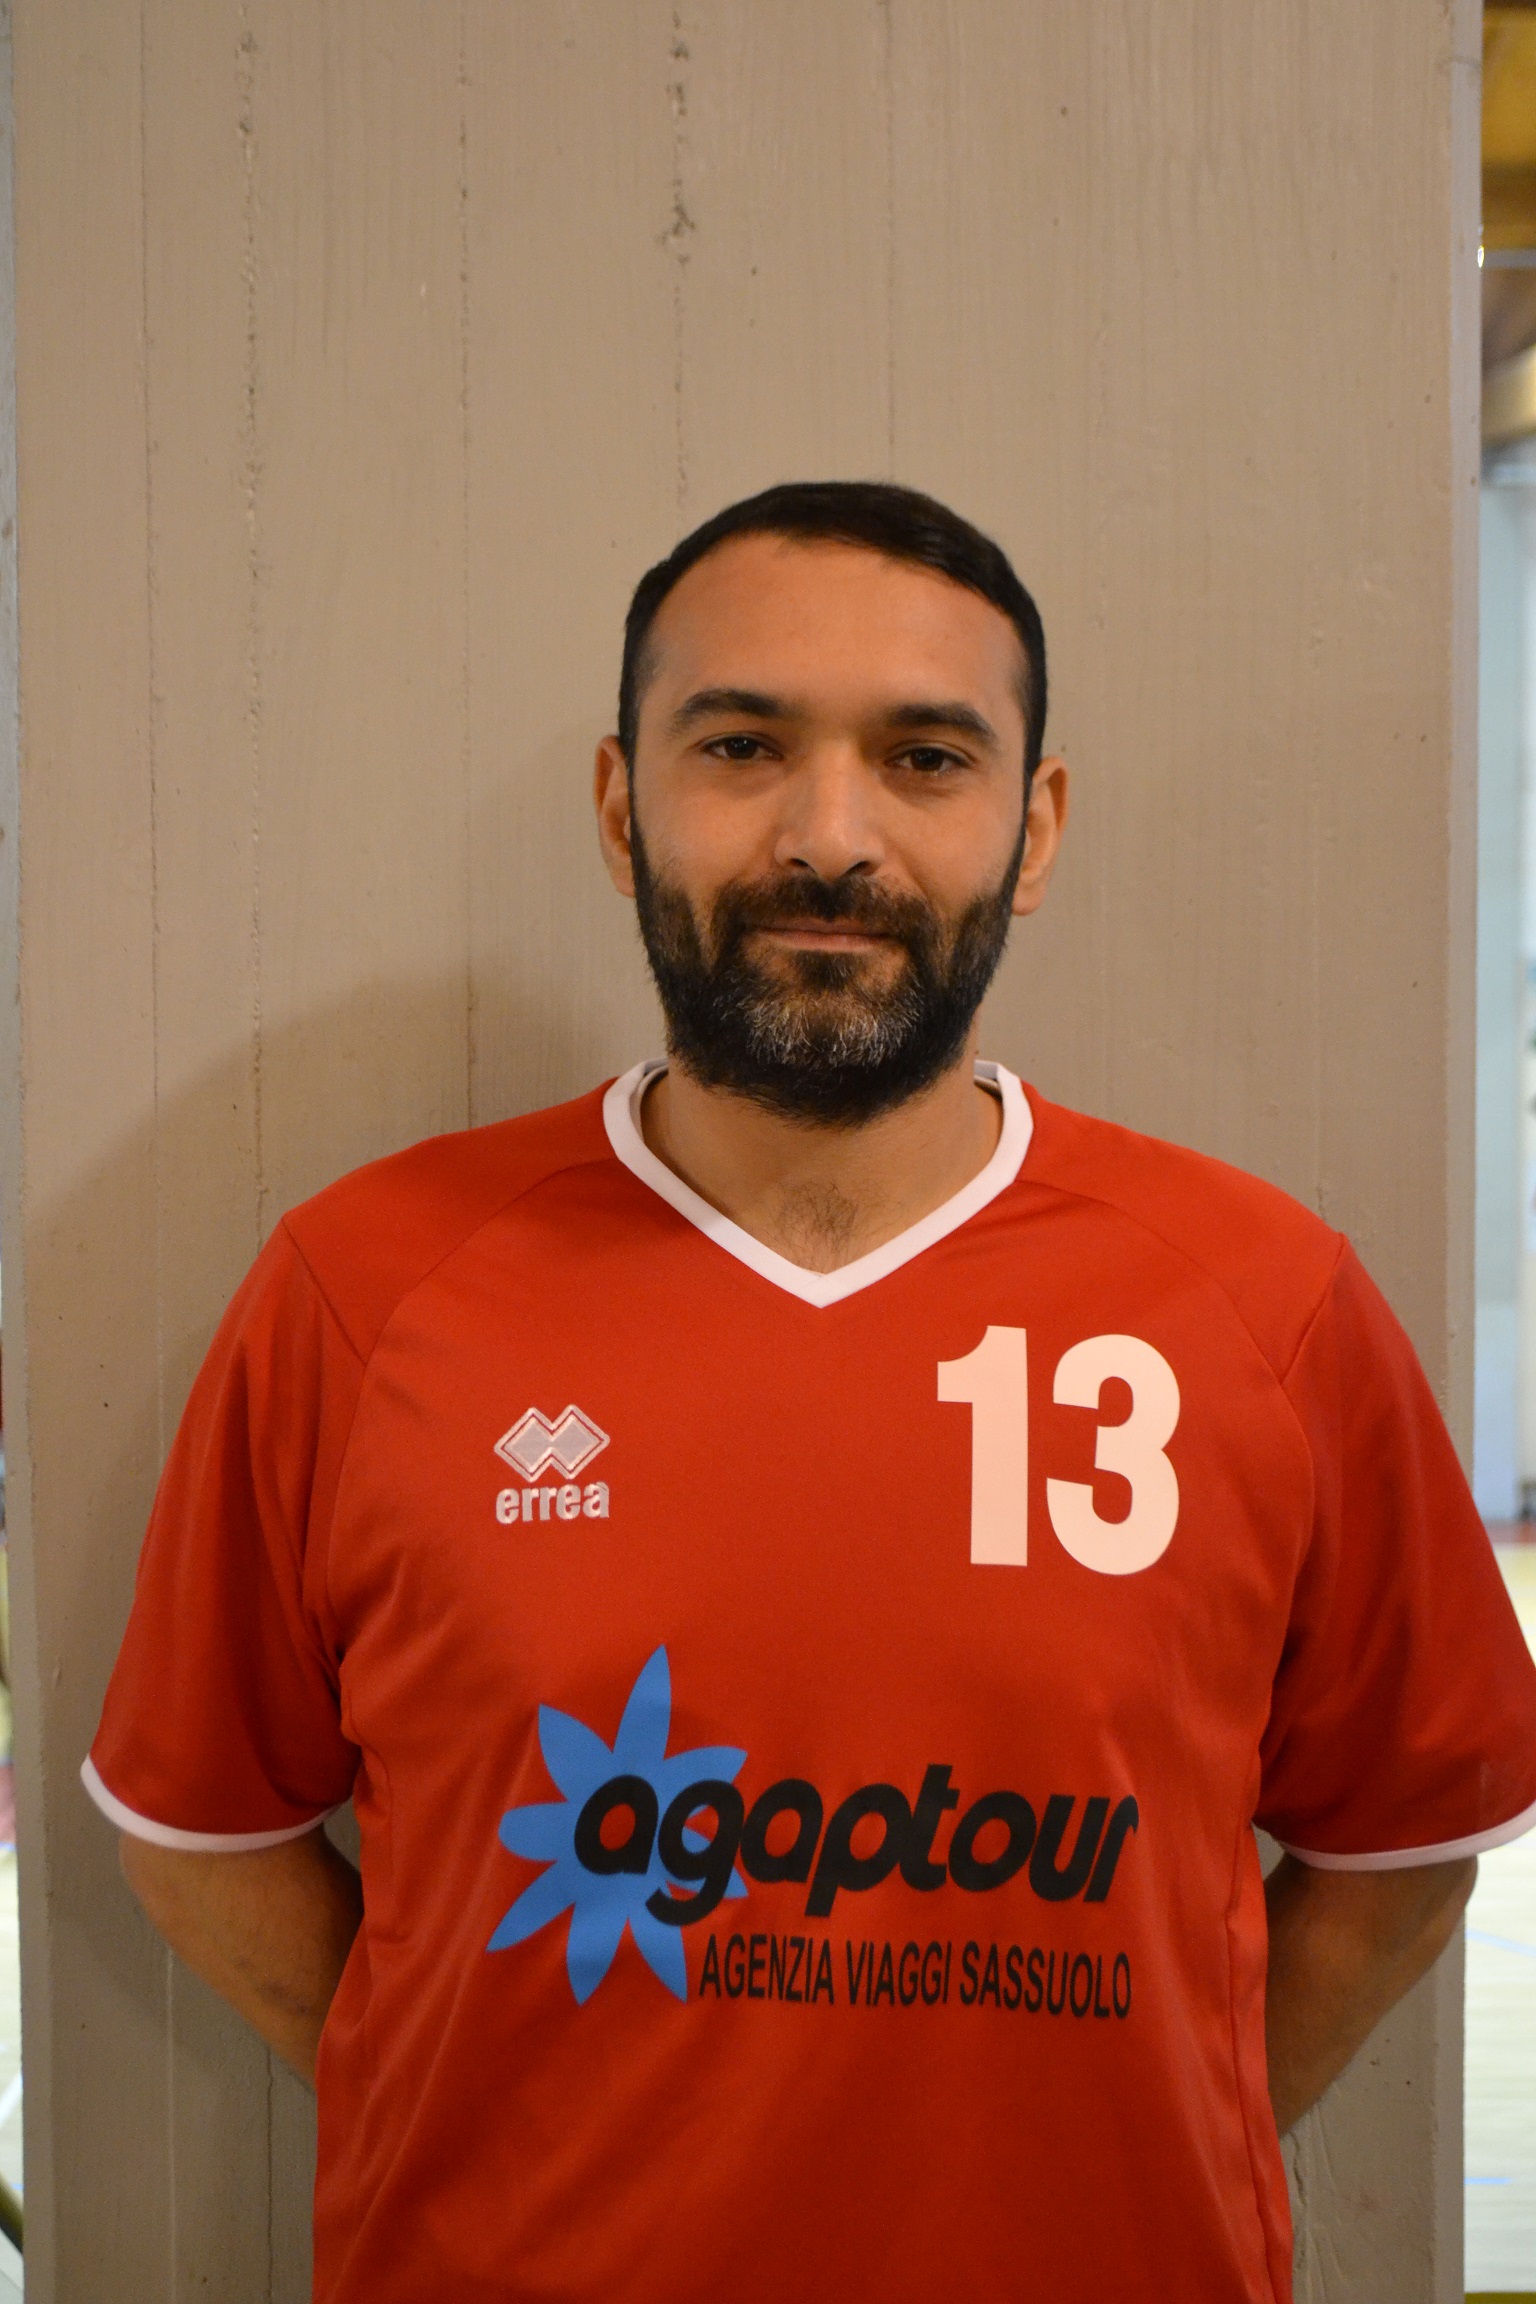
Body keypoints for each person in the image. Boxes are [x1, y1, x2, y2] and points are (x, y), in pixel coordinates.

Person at [85, 482, 1536, 2303]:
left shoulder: (1268, 1306)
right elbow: (204, 1840)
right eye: (742, 746)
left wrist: (1144, 2139)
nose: (830, 837)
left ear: (1034, 825)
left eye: (926, 758)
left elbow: (1401, 1851)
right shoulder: (361, 1295)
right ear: (623, 807)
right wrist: (455, 2125)